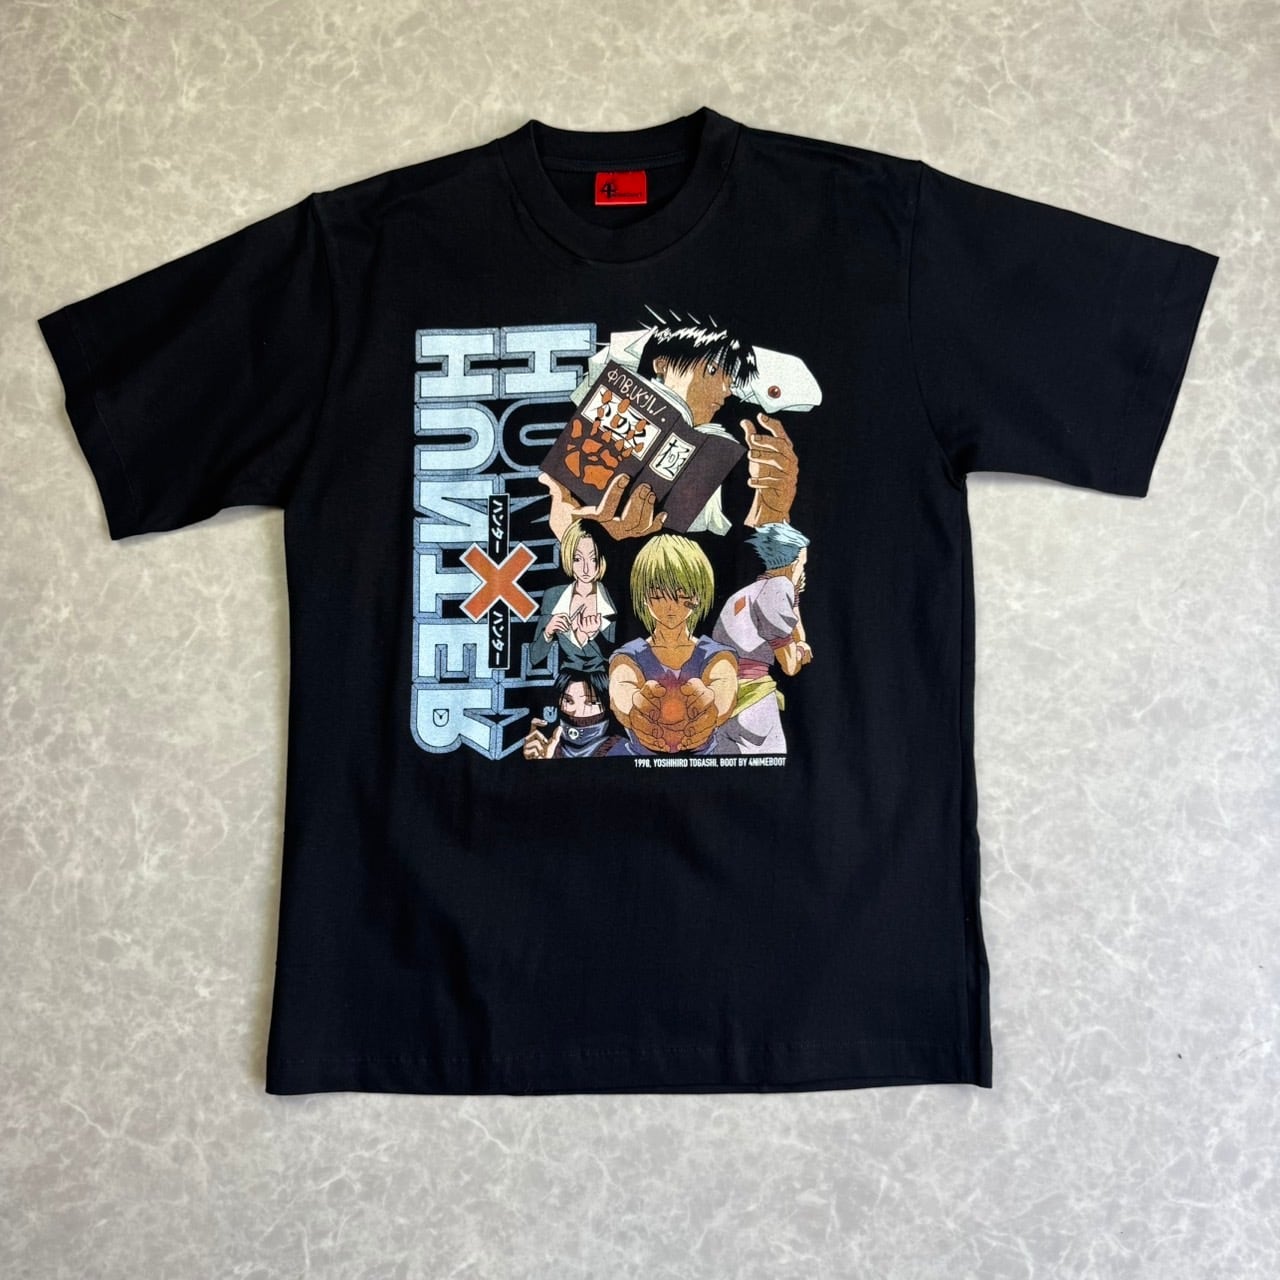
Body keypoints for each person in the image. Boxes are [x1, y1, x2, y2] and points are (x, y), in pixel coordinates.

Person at [539, 317, 799, 540]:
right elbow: (563, 496)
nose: (724, 390)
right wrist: (571, 526)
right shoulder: (603, 398)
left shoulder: (717, 454)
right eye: (711, 370)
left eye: (729, 382)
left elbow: (749, 559)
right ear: (661, 365)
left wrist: (772, 510)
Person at [607, 534, 738, 755]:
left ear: (697, 596)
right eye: (658, 596)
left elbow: (723, 683)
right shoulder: (628, 656)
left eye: (680, 595)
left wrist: (713, 703)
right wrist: (633, 704)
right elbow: (622, 684)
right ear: (644, 597)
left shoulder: (716, 655)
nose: (670, 607)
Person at [712, 522, 813, 754]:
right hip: (753, 702)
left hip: (723, 703)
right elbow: (790, 666)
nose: (803, 571)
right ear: (794, 563)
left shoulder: (746, 593)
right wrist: (800, 651)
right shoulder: (778, 589)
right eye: (802, 564)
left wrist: (795, 598)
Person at [528, 520, 616, 672]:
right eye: (577, 559)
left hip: (602, 680)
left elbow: (617, 656)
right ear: (568, 558)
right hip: (567, 680)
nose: (585, 568)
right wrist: (548, 632)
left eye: (593, 559)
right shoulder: (553, 596)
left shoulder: (612, 597)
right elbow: (534, 657)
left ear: (602, 559)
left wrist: (595, 636)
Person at [522, 667, 622, 759]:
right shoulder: (548, 747)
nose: (576, 712)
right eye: (568, 701)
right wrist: (538, 763)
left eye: (591, 702)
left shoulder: (624, 748)